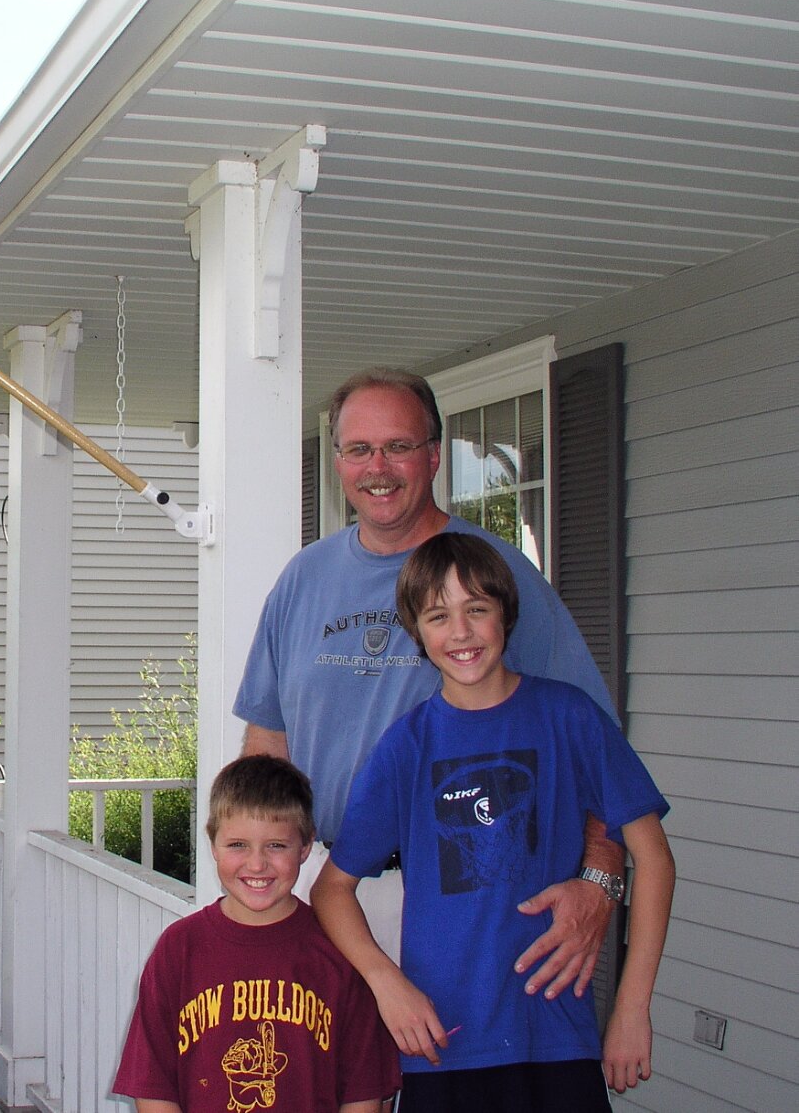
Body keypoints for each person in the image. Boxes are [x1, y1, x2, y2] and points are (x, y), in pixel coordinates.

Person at [234, 366, 622, 995]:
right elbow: (266, 747)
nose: (378, 467)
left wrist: (599, 881)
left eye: (398, 446)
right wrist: (260, 875)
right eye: (359, 449)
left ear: (434, 456)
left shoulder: (492, 574)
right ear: (338, 462)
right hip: (324, 887)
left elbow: (597, 746)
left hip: (470, 899)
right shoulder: (303, 579)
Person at [310, 532, 674, 1110]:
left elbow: (654, 859)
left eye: (477, 609)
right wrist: (386, 983)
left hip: (555, 1034)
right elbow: (332, 889)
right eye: (438, 616)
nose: (461, 632)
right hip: (445, 1040)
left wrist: (632, 1008)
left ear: (505, 614)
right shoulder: (406, 747)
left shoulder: (569, 717)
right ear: (416, 632)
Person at [113, 755, 401, 1113]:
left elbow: (364, 1093)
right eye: (237, 845)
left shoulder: (339, 950)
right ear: (213, 844)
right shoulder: (179, 949)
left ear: (305, 847)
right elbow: (152, 1087)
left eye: (276, 845)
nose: (256, 864)